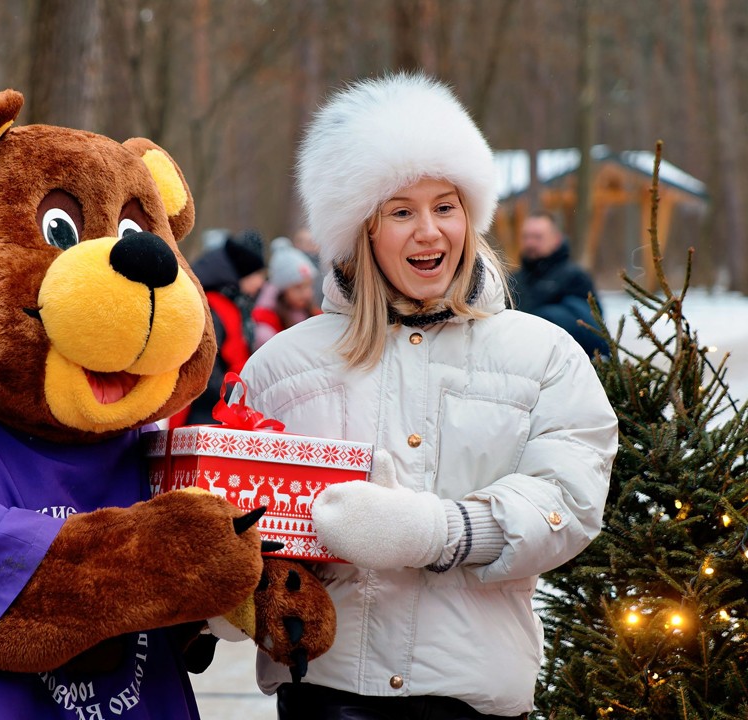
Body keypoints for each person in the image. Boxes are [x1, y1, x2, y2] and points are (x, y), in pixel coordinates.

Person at [238, 73, 618, 718]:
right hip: (326, 695)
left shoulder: (543, 355)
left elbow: (569, 503)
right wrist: (239, 584)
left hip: (472, 697)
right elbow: (240, 519)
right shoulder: (282, 366)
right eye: (402, 211)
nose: (429, 232)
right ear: (361, 228)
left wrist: (439, 532)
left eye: (445, 206)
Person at [172, 229, 266, 426]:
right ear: (242, 274)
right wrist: (239, 394)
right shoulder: (215, 308)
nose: (261, 283)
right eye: (257, 275)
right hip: (206, 411)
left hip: (220, 405)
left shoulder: (232, 304)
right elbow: (206, 369)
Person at [510, 211, 608, 357]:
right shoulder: (512, 280)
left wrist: (538, 321)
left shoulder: (575, 277)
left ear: (556, 239)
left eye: (537, 237)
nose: (530, 243)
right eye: (526, 237)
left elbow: (588, 325)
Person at [251, 236, 321, 350]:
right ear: (282, 290)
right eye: (298, 288)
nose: (307, 294)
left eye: (309, 285)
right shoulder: (265, 329)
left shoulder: (314, 314)